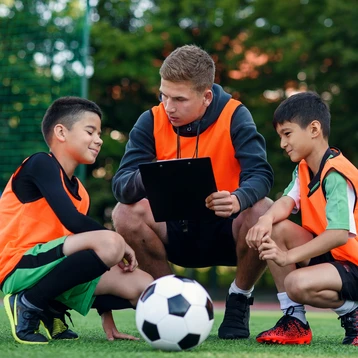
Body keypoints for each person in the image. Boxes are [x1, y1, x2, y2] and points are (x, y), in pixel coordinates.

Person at [111, 44, 274, 340]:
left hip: (227, 230)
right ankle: (169, 297)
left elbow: (261, 174)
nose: (168, 106)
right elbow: (121, 185)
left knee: (264, 209)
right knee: (124, 213)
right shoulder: (150, 120)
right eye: (164, 95)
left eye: (179, 99)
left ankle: (239, 299)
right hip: (174, 231)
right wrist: (155, 174)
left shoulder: (235, 115)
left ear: (206, 96)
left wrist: (238, 199)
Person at [0, 96, 153, 345]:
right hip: (17, 265)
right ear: (61, 131)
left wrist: (108, 317)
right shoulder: (41, 163)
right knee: (111, 243)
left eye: (100, 134)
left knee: (145, 286)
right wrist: (119, 243)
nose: (99, 140)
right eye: (90, 131)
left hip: (52, 265)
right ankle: (28, 303)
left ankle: (51, 306)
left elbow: (87, 258)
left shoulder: (81, 191)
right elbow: (74, 223)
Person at [246, 91, 358, 346]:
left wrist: (288, 258)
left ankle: (353, 313)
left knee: (295, 283)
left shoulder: (337, 173)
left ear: (314, 129)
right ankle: (294, 320)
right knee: (275, 227)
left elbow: (339, 234)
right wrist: (264, 221)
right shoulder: (305, 167)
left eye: (287, 134)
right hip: (335, 259)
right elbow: (286, 202)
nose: (283, 143)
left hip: (353, 263)